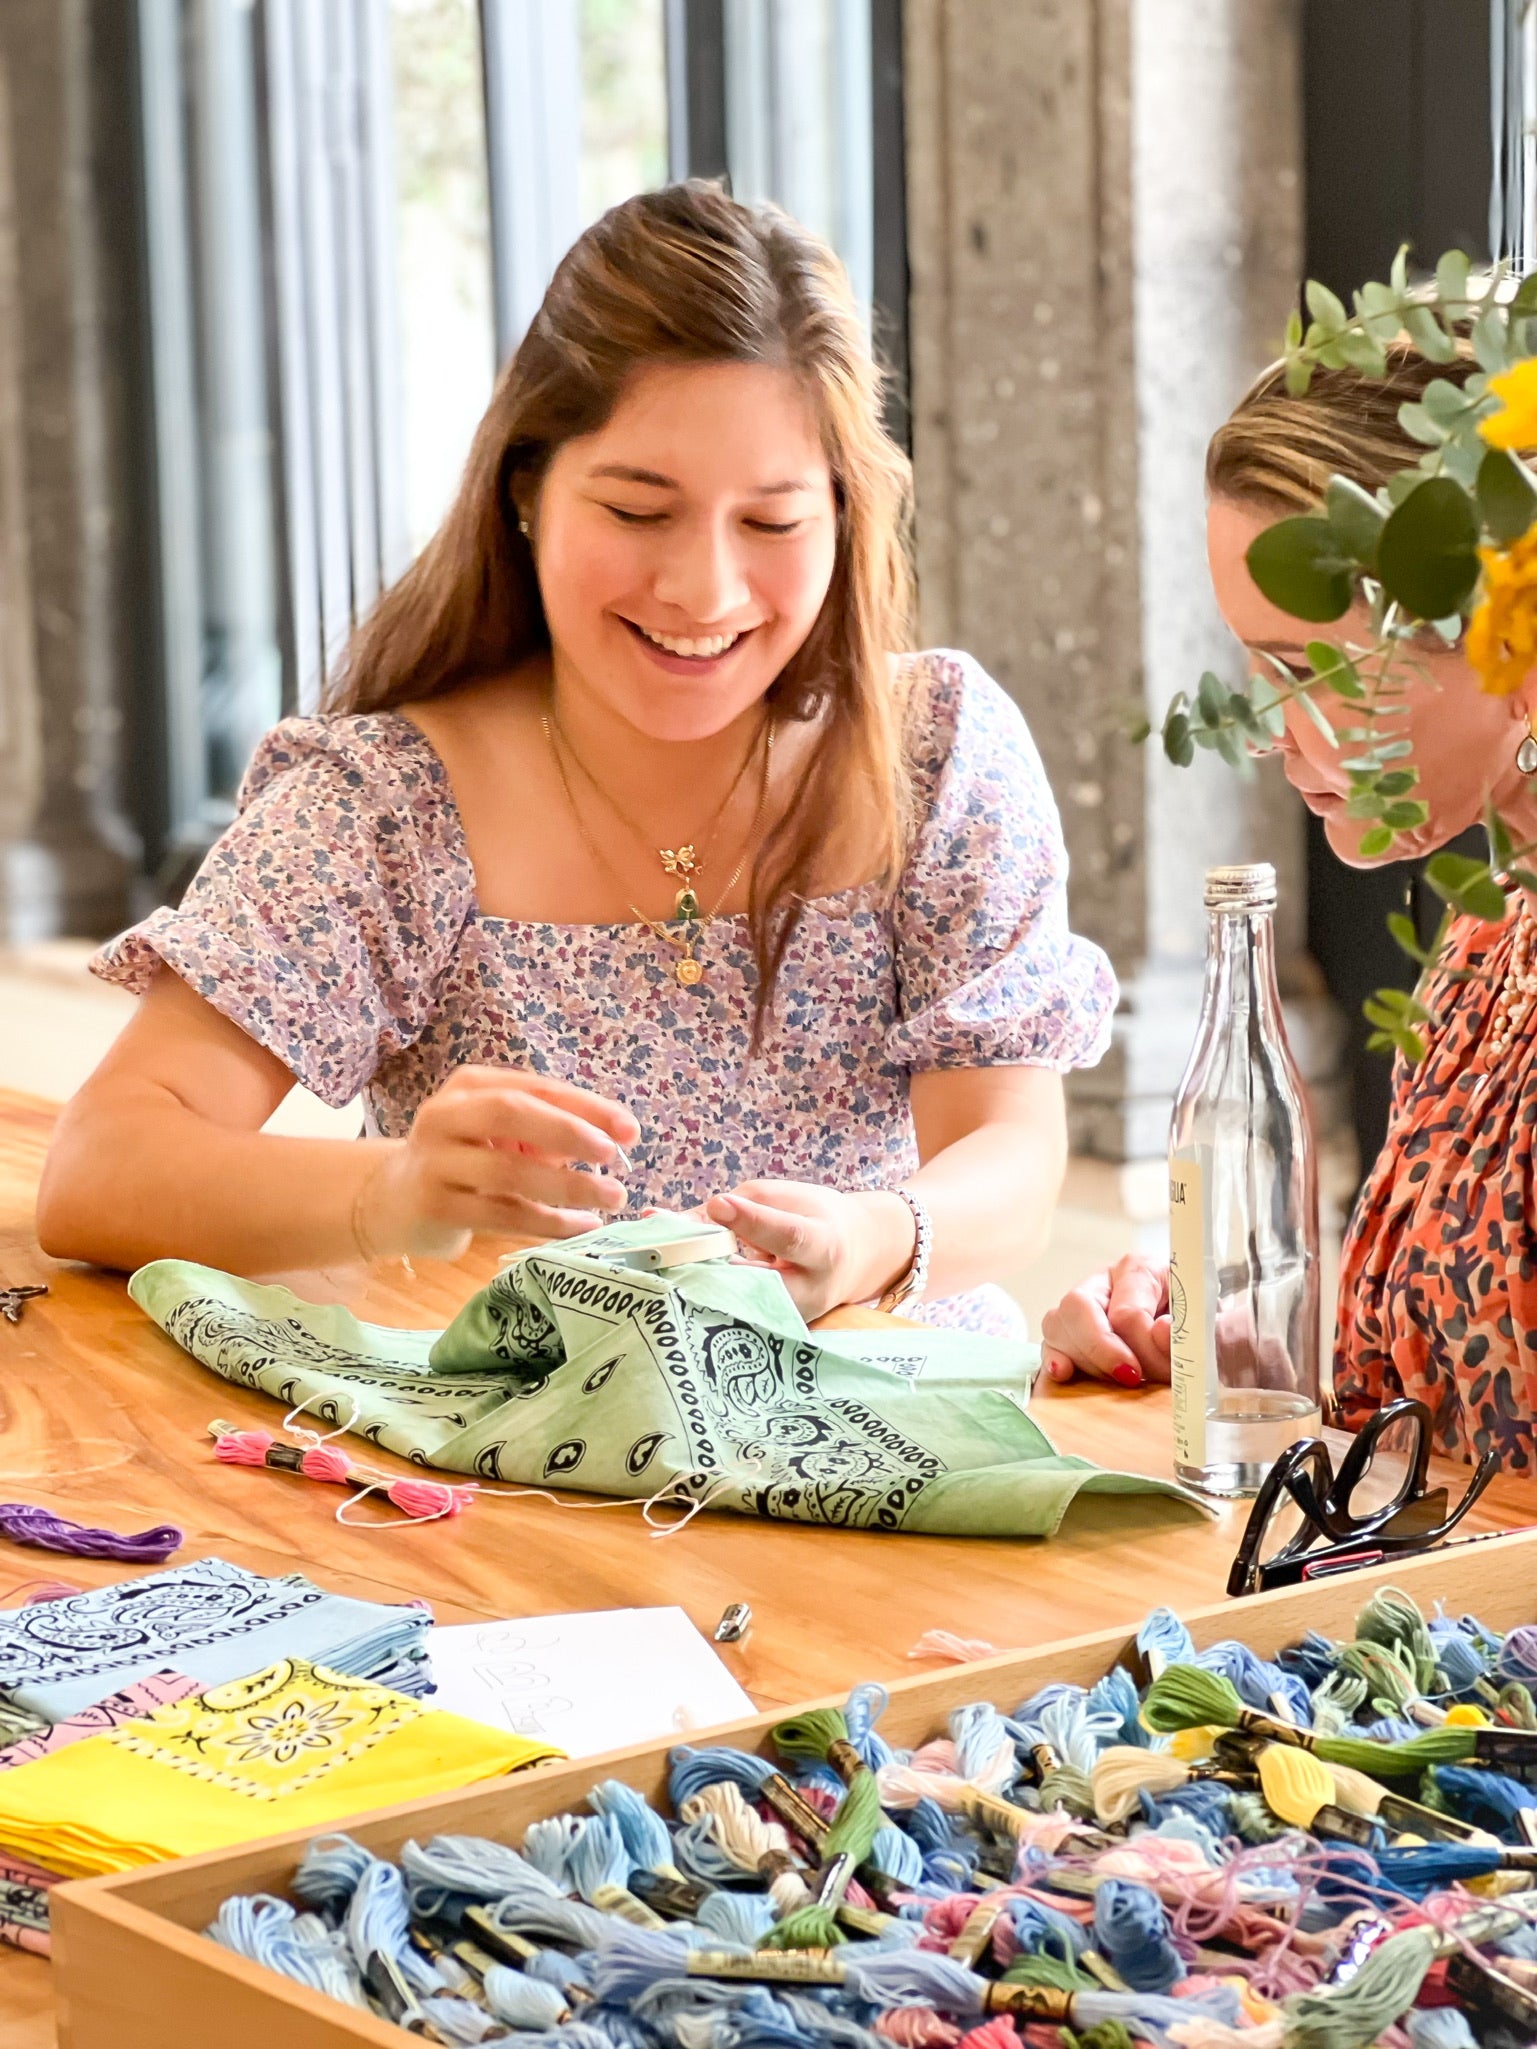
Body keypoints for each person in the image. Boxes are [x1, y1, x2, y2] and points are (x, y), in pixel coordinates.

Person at [39, 181, 1115, 1335]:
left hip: (897, 1444)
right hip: (510, 1484)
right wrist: (397, 1189)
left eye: (771, 522)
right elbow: (100, 1169)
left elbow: (1012, 1146)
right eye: (638, 511)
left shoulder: (937, 751)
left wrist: (871, 1237)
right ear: (525, 494)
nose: (702, 589)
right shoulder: (389, 803)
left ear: (846, 518)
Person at [1042, 343, 1537, 1473]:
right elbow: (1441, 1426)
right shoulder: (1481, 940)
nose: (1268, 731)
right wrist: (1238, 1366)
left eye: (1308, 672)